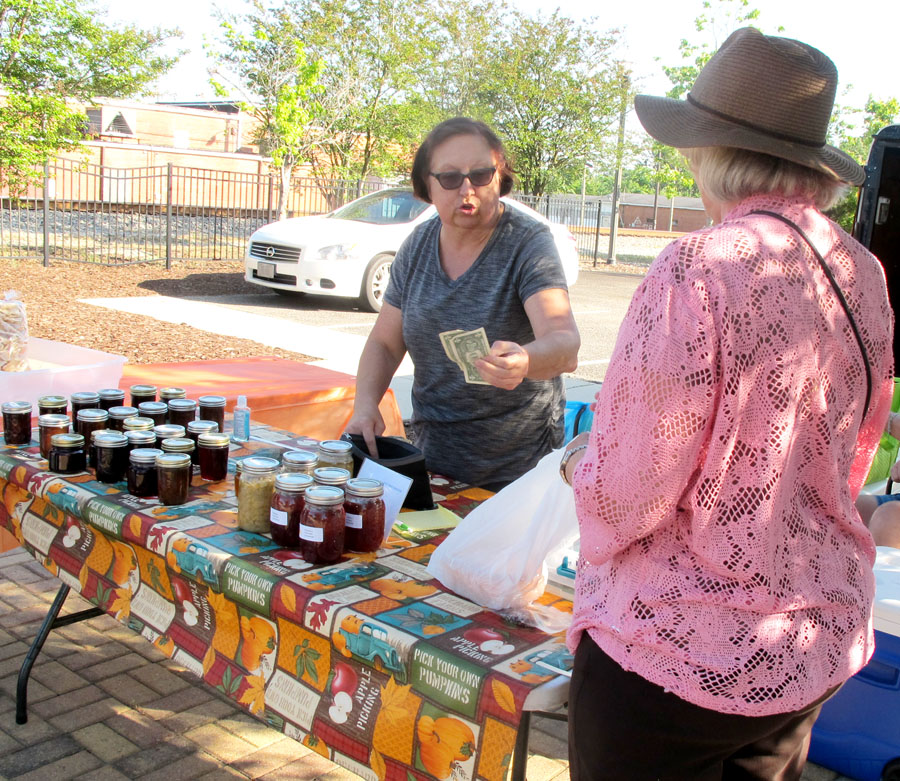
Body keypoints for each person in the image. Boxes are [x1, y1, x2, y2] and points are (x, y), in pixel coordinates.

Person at [559, 27, 894, 779]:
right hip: (806, 644)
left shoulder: (698, 266)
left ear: (704, 149)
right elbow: (848, 446)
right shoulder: (859, 269)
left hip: (678, 652)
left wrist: (581, 466)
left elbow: (627, 494)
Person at [344, 117, 580, 490]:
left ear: (500, 177)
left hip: (515, 474)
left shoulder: (528, 243)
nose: (467, 189)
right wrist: (365, 405)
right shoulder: (417, 245)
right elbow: (385, 343)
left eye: (481, 175)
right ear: (427, 186)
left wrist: (525, 361)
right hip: (432, 463)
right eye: (450, 178)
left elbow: (565, 344)